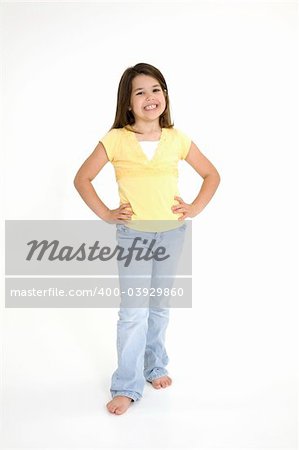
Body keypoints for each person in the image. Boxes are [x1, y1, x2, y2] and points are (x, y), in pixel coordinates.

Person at [74, 62, 221, 415]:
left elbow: (211, 174)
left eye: (156, 89)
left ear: (165, 96)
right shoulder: (116, 140)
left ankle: (155, 366)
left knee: (159, 307)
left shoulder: (177, 139)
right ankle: (126, 384)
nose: (149, 97)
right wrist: (107, 213)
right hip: (133, 236)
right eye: (139, 92)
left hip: (172, 233)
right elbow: (83, 179)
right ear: (128, 103)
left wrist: (194, 208)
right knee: (132, 314)